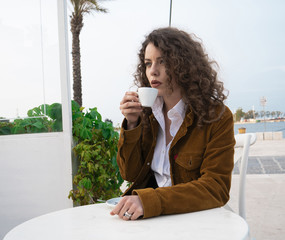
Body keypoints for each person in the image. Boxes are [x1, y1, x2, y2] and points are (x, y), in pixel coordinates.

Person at [110, 27, 235, 221]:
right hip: (153, 219)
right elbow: (130, 173)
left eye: (163, 61)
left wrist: (150, 201)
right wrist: (132, 124)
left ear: (184, 65)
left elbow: (216, 188)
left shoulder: (216, 116)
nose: (153, 71)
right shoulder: (147, 114)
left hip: (195, 219)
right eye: (148, 63)